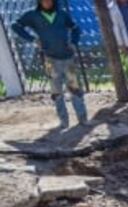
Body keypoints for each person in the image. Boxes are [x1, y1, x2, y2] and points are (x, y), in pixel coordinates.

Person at [13, 0, 87, 129]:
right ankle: (63, 122)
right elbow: (15, 26)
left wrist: (74, 42)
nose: (47, 2)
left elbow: (75, 28)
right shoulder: (32, 15)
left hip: (67, 57)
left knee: (74, 89)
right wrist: (32, 39)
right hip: (49, 59)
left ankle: (83, 119)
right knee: (56, 91)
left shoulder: (62, 14)